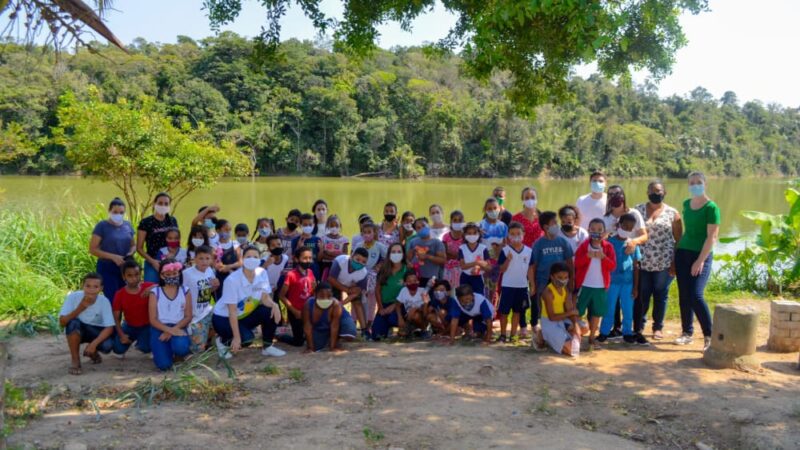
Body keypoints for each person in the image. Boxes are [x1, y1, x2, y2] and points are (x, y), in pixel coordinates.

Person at [212, 246, 286, 359]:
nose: (252, 259)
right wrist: (237, 337)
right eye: (248, 257)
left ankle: (267, 346)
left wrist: (274, 305)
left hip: (243, 314)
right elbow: (232, 312)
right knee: (246, 339)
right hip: (224, 318)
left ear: (259, 259)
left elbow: (264, 297)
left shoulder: (262, 273)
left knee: (270, 311)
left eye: (255, 257)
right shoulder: (232, 280)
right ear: (242, 258)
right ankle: (222, 341)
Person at [674, 172, 719, 350]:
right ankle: (687, 333)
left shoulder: (711, 208)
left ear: (705, 184)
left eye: (698, 182)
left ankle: (709, 335)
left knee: (696, 295)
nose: (695, 185)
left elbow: (712, 237)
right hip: (683, 252)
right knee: (684, 295)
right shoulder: (686, 204)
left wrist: (700, 260)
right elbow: (687, 231)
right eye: (691, 183)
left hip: (701, 255)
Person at [635, 181, 682, 341]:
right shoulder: (637, 210)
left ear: (665, 193)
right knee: (642, 294)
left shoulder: (673, 214)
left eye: (659, 191)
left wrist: (675, 263)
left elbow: (678, 239)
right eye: (653, 191)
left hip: (664, 262)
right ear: (647, 192)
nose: (656, 193)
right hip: (642, 261)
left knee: (661, 294)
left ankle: (658, 327)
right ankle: (639, 325)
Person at [603, 185, 649, 338]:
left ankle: (633, 331)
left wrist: (633, 242)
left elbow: (644, 236)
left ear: (624, 196)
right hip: (613, 275)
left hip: (630, 267)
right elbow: (601, 242)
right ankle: (609, 330)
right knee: (610, 305)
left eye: (618, 194)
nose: (615, 196)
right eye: (611, 194)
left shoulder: (633, 213)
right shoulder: (606, 217)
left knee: (631, 304)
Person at [528, 211, 574, 333]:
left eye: (556, 222)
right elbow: (533, 265)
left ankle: (562, 321)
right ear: (545, 227)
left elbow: (569, 262)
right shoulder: (538, 244)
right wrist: (532, 283)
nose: (557, 225)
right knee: (537, 300)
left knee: (561, 299)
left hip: (560, 278)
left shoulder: (563, 242)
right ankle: (535, 323)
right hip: (543, 278)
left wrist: (571, 280)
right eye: (554, 223)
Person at [60, 273, 114, 375]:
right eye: (88, 286)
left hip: (95, 331)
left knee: (108, 346)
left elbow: (109, 327)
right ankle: (75, 361)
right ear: (82, 286)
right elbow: (62, 322)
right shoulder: (73, 297)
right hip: (78, 329)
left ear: (101, 288)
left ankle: (92, 351)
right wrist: (81, 307)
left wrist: (93, 344)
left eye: (95, 287)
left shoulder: (104, 301)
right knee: (72, 323)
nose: (91, 290)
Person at [599, 214, 641, 345]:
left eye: (630, 228)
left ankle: (627, 332)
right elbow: (603, 263)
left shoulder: (632, 243)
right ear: (618, 225)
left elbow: (636, 266)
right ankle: (604, 332)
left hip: (628, 283)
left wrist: (635, 287)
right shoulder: (609, 243)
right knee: (609, 308)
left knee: (628, 308)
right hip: (612, 282)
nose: (627, 229)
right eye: (624, 226)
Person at [574, 219, 616, 348]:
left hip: (600, 286)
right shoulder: (584, 246)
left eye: (599, 230)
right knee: (578, 312)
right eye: (593, 229)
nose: (596, 232)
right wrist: (587, 256)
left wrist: (603, 257)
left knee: (597, 313)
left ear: (604, 232)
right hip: (584, 285)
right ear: (588, 230)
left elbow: (612, 266)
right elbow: (577, 263)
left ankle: (592, 337)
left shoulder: (608, 247)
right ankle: (576, 336)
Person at [147, 259, 192, 371]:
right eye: (168, 274)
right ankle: (166, 352)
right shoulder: (155, 292)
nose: (171, 277)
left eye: (174, 274)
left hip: (179, 326)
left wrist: (173, 330)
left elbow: (188, 316)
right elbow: (153, 319)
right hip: (159, 327)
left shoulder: (185, 291)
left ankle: (179, 355)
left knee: (181, 347)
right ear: (162, 276)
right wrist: (168, 330)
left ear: (179, 273)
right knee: (164, 365)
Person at [534, 262, 587, 356]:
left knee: (584, 328)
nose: (563, 280)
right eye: (560, 277)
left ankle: (557, 338)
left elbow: (570, 309)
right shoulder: (548, 292)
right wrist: (570, 312)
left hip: (562, 320)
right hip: (550, 322)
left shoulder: (565, 289)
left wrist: (575, 326)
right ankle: (542, 335)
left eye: (566, 277)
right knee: (571, 351)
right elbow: (552, 317)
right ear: (552, 277)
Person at [90, 197, 135, 300]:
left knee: (126, 297)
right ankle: (112, 317)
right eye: (115, 212)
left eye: (121, 212)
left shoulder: (128, 226)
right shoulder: (102, 226)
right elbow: (93, 249)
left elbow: (133, 245)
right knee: (112, 299)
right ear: (109, 211)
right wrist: (113, 257)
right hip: (107, 268)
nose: (118, 215)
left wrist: (131, 253)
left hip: (125, 268)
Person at [496, 222, 532, 342]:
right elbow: (501, 269)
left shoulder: (529, 251)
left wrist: (532, 285)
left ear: (523, 235)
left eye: (518, 234)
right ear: (508, 236)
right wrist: (508, 260)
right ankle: (502, 334)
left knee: (517, 311)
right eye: (512, 234)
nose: (515, 236)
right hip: (507, 286)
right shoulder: (505, 251)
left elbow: (530, 270)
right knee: (504, 312)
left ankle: (513, 335)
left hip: (521, 286)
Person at [112, 261, 155, 357]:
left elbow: (164, 285)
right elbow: (116, 318)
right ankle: (133, 339)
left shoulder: (147, 287)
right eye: (129, 276)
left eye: (137, 275)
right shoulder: (120, 294)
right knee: (118, 349)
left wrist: (153, 287)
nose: (134, 279)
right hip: (129, 325)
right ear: (124, 277)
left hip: (146, 325)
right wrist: (122, 335)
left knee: (146, 348)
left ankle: (141, 342)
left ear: (140, 274)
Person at [182, 245, 219, 352]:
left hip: (207, 310)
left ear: (211, 259)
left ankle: (209, 337)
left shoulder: (210, 271)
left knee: (223, 321)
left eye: (207, 258)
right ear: (195, 259)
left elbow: (208, 290)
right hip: (194, 315)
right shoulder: (186, 274)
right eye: (201, 258)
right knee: (197, 350)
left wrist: (215, 286)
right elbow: (181, 293)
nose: (204, 261)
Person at [277, 246, 317, 347]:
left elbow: (313, 292)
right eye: (304, 258)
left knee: (312, 336)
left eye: (310, 258)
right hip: (296, 312)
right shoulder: (291, 275)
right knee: (298, 342)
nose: (308, 261)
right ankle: (281, 337)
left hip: (308, 310)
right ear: (296, 259)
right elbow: (281, 295)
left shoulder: (311, 272)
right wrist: (294, 311)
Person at [136, 192, 179, 282]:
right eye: (160, 203)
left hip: (170, 262)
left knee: (171, 288)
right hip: (153, 262)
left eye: (166, 204)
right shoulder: (146, 222)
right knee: (151, 290)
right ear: (154, 204)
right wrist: (153, 262)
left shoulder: (172, 220)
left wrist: (173, 255)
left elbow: (176, 242)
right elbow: (139, 248)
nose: (163, 206)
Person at [303, 282, 356, 353]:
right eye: (321, 296)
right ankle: (327, 338)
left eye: (329, 296)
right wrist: (310, 348)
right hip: (321, 327)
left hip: (337, 321)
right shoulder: (308, 304)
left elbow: (334, 325)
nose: (325, 299)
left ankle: (336, 339)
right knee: (316, 347)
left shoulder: (336, 304)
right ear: (315, 295)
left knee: (350, 332)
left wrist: (332, 347)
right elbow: (307, 326)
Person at [327, 248, 370, 337]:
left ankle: (364, 329)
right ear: (351, 255)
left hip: (351, 287)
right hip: (335, 283)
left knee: (358, 302)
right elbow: (331, 279)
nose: (360, 263)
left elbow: (356, 293)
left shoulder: (363, 273)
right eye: (357, 259)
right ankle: (330, 327)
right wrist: (347, 290)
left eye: (363, 262)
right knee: (331, 304)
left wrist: (342, 303)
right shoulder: (340, 261)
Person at [354, 222, 387, 331]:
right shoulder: (359, 245)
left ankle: (369, 323)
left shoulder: (379, 246)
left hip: (373, 277)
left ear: (374, 233)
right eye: (365, 232)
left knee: (371, 300)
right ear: (361, 233)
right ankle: (353, 321)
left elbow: (387, 257)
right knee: (357, 298)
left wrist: (380, 265)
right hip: (359, 276)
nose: (367, 234)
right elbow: (352, 259)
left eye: (369, 232)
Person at [372, 243, 408, 340]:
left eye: (399, 252)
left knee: (393, 318)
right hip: (385, 304)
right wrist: (380, 307)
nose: (396, 254)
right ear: (389, 254)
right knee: (377, 336)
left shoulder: (407, 269)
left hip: (401, 305)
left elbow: (409, 292)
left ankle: (408, 328)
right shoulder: (384, 269)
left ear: (403, 254)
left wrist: (393, 306)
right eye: (393, 252)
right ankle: (387, 328)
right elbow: (377, 289)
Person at [480, 197, 508, 306]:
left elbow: (505, 243)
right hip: (483, 262)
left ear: (499, 209)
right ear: (485, 210)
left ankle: (492, 312)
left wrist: (500, 249)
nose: (492, 211)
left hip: (497, 262)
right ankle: (482, 312)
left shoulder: (503, 226)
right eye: (489, 208)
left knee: (493, 289)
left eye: (495, 208)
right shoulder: (480, 225)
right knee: (483, 287)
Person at [406, 218, 447, 286]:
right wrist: (409, 264)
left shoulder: (437, 243)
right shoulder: (413, 242)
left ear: (428, 225)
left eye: (423, 225)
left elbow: (443, 260)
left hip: (431, 278)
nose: (422, 228)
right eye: (418, 228)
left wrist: (427, 256)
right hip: (415, 278)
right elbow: (408, 259)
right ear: (416, 230)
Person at [458, 222, 491, 298]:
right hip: (465, 278)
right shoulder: (462, 248)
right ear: (464, 235)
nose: (472, 235)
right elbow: (462, 266)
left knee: (478, 298)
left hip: (478, 278)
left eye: (474, 233)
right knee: (464, 298)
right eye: (469, 233)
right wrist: (476, 263)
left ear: (479, 234)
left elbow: (489, 267)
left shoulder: (483, 248)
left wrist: (479, 267)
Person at [395, 271, 430, 337]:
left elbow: (425, 311)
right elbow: (397, 305)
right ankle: (410, 329)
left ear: (418, 281)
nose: (413, 283)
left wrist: (416, 308)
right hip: (408, 317)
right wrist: (400, 318)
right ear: (405, 283)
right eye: (409, 281)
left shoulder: (423, 291)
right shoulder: (403, 290)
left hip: (421, 317)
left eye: (415, 280)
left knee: (416, 315)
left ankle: (424, 330)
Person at [214, 219, 242, 294]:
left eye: (230, 230)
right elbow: (217, 265)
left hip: (235, 277)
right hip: (221, 279)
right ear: (218, 231)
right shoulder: (214, 245)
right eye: (226, 230)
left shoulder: (235, 244)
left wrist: (229, 267)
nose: (228, 232)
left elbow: (241, 262)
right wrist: (225, 268)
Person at [291, 213, 322, 279]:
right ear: (300, 225)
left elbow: (319, 259)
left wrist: (321, 250)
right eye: (305, 225)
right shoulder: (295, 240)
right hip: (299, 272)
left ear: (314, 225)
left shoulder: (317, 240)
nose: (308, 226)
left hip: (314, 270)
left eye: (310, 224)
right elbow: (294, 258)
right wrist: (299, 247)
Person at [442, 210, 465, 291]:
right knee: (448, 291)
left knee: (460, 291)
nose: (457, 222)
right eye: (455, 220)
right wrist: (457, 255)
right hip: (447, 269)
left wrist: (452, 254)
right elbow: (445, 254)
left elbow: (465, 255)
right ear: (451, 222)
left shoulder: (465, 237)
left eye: (460, 220)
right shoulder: (446, 236)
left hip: (461, 269)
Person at [320, 215, 349, 279]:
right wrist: (336, 256)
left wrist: (331, 253)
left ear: (340, 226)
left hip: (339, 265)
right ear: (328, 226)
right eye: (332, 226)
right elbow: (323, 254)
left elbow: (345, 254)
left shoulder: (344, 239)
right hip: (326, 264)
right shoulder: (324, 238)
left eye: (336, 226)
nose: (334, 228)